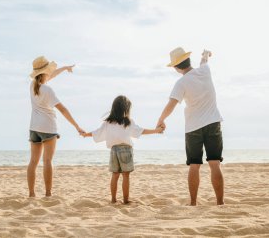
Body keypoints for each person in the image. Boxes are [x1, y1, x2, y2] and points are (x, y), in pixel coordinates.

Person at [156, 47, 224, 206]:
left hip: (193, 127)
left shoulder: (181, 83)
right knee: (215, 164)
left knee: (194, 165)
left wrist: (160, 120)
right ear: (188, 60)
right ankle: (220, 203)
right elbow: (204, 61)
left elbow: (171, 104)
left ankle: (193, 203)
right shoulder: (205, 71)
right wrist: (206, 53)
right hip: (213, 123)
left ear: (176, 67)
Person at [82, 95, 164, 204]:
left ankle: (113, 199)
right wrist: (156, 130)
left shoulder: (108, 122)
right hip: (125, 149)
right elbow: (140, 131)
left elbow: (96, 133)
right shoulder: (127, 121)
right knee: (126, 175)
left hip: (113, 150)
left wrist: (85, 134)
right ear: (126, 108)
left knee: (115, 175)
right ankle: (126, 200)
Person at [28, 56, 84, 197]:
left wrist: (65, 68)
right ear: (46, 71)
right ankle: (48, 193)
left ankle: (31, 193)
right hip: (48, 128)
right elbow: (63, 110)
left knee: (33, 162)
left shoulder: (32, 85)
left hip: (34, 127)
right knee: (47, 161)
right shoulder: (48, 90)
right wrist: (77, 126)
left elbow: (51, 76)